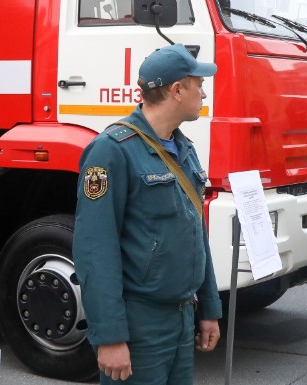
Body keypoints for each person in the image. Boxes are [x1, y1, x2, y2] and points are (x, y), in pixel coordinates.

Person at [72, 43, 221, 384]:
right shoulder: (111, 152)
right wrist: (110, 337)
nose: (204, 91)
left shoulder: (184, 148)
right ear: (177, 90)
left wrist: (209, 308)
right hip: (140, 325)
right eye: (198, 83)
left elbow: (195, 233)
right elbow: (95, 250)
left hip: (182, 319)